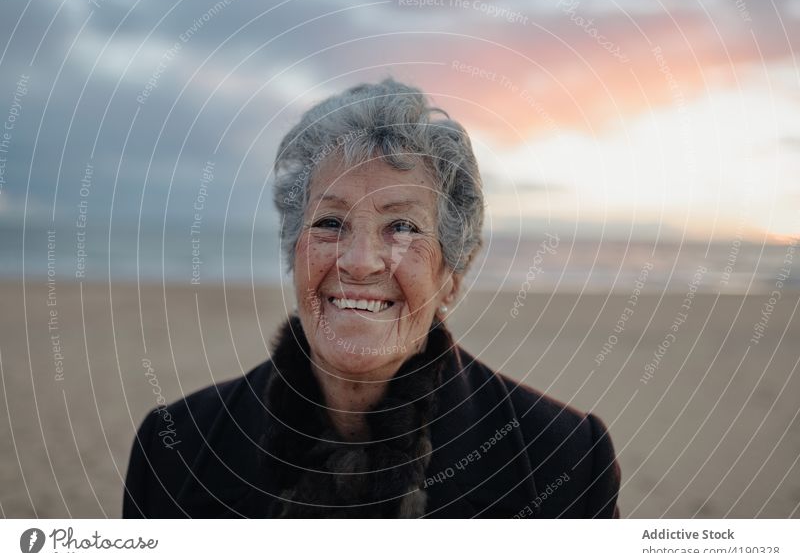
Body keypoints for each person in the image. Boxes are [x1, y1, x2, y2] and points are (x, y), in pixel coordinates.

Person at [122, 78, 621, 518]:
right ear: (295, 254)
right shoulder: (175, 448)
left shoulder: (565, 460)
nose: (359, 262)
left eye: (401, 227)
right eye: (330, 223)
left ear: (452, 273)